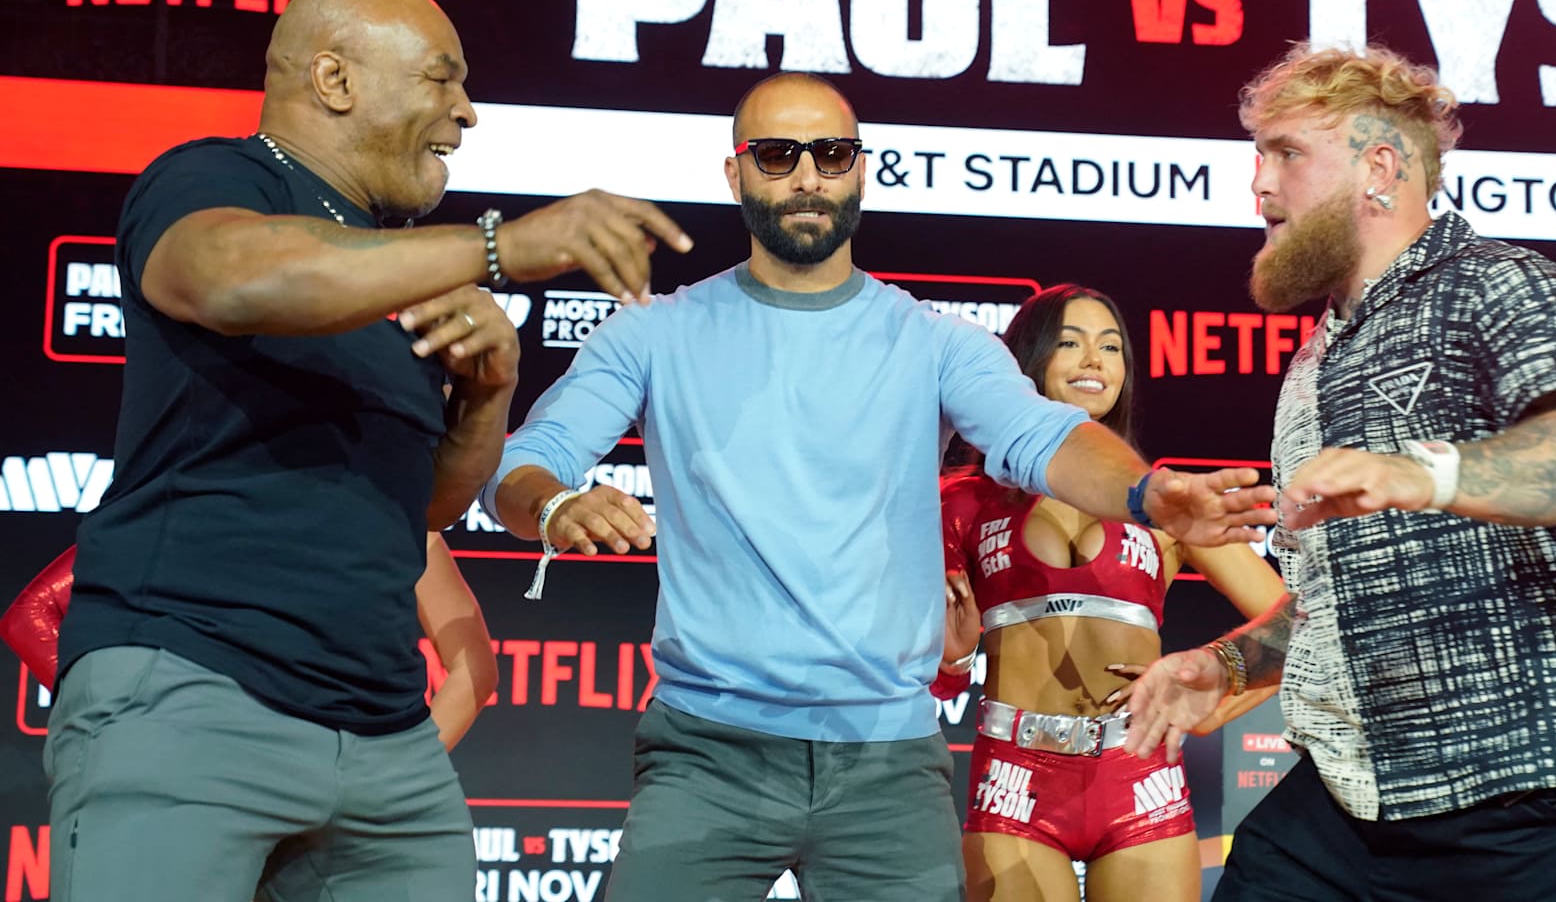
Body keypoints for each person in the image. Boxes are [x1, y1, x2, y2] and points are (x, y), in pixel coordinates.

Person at [482, 71, 1279, 902]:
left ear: (860, 170)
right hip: (708, 752)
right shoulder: (654, 333)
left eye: (831, 154)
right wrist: (554, 501)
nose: (806, 177)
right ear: (735, 174)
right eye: (778, 154)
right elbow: (523, 461)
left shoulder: (938, 346)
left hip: (888, 765)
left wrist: (1147, 493)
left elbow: (1038, 436)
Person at [47, 0, 692, 902]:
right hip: (192, 689)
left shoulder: (393, 271)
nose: (467, 112)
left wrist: (486, 394)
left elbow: (421, 507)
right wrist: (502, 246)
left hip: (384, 737)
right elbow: (228, 277)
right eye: (442, 79)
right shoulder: (217, 177)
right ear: (335, 79)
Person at [1124, 43, 1556, 901]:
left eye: (1287, 154)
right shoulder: (1313, 362)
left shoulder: (1499, 282)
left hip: (1524, 800)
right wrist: (1227, 667)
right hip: (1350, 805)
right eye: (1258, 156)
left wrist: (1426, 477)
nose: (1258, 186)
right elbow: (1341, 599)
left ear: (1380, 167)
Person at [935, 283, 1289, 902]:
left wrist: (1214, 689)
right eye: (1070, 343)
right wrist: (955, 658)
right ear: (1029, 360)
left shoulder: (1166, 502)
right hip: (1014, 779)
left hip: (1141, 777)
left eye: (1110, 347)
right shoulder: (962, 501)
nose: (1094, 361)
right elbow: (927, 675)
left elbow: (1295, 622)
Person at [5, 534, 498, 750]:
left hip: (329, 798)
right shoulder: (204, 499)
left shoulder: (404, 524)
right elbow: (30, 618)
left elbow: (475, 669)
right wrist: (128, 726)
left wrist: (401, 772)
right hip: (203, 786)